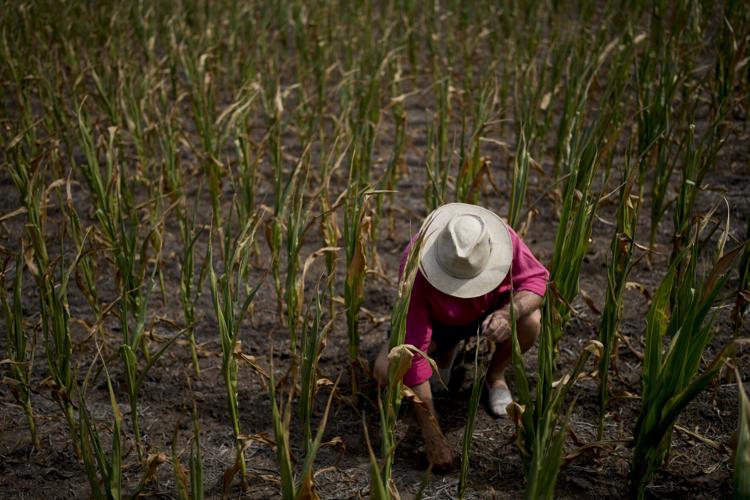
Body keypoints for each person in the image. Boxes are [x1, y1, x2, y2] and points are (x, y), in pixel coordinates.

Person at [373, 202, 549, 472]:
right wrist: (432, 432)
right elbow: (412, 350)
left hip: (490, 312)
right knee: (385, 370)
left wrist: (508, 313)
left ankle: (495, 377)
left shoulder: (502, 238)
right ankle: (446, 348)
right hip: (438, 322)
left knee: (530, 322)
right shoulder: (415, 265)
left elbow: (537, 280)